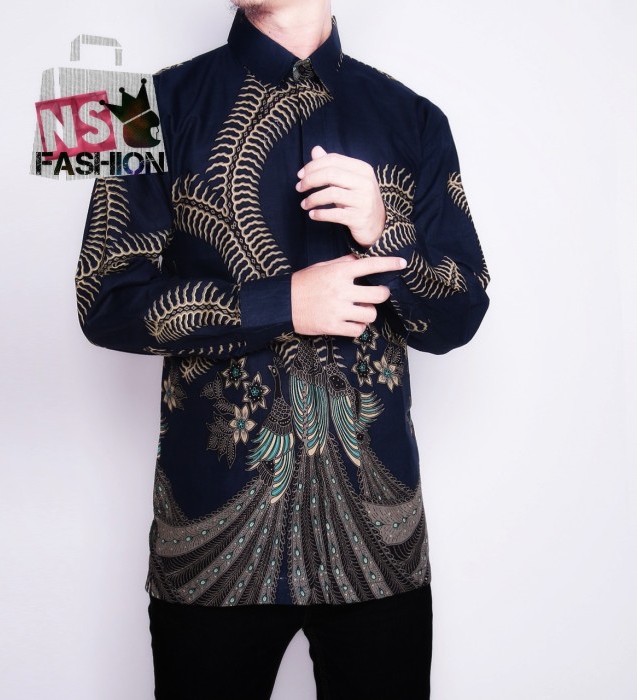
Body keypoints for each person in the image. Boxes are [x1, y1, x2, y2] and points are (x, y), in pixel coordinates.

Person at [76, 0, 489, 697]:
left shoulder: (417, 117)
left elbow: (461, 317)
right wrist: (283, 303)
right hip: (207, 545)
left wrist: (387, 231)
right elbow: (103, 300)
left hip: (379, 547)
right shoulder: (133, 107)